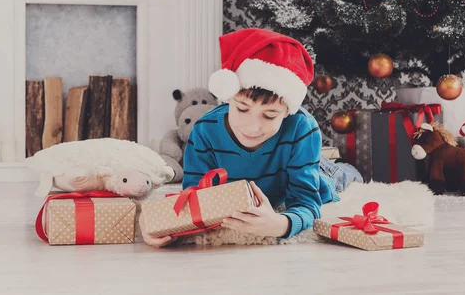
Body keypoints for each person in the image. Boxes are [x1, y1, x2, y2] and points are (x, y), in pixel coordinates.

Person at [141, 28, 362, 247]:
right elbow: (192, 200)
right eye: (242, 109)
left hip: (308, 170)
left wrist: (280, 224)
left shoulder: (303, 128)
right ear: (228, 98)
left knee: (343, 179)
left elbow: (306, 202)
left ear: (287, 111)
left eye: (269, 115)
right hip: (272, 169)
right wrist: (157, 225)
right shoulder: (204, 130)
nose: (253, 126)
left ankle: (338, 167)